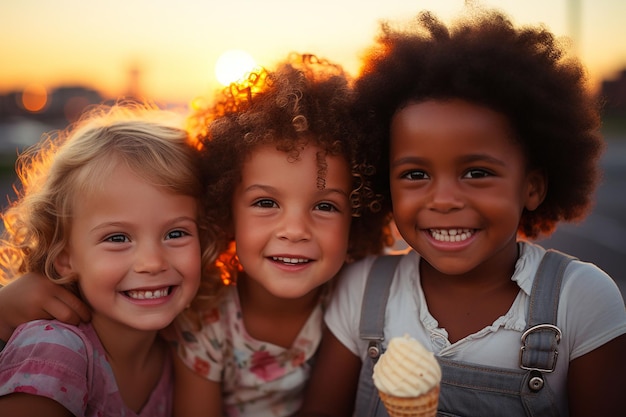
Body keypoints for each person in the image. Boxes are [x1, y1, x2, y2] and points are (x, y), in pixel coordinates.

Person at [299, 9, 626, 417]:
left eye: (477, 172)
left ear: (533, 187)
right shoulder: (362, 291)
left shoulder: (580, 300)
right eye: (416, 173)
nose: (445, 199)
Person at [170, 53, 390, 417]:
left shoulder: (358, 302)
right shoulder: (204, 319)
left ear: (358, 216)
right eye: (266, 202)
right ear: (226, 209)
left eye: (324, 206)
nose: (294, 230)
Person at [0, 103, 224, 416]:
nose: (152, 262)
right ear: (65, 258)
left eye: (175, 234)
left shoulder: (185, 350)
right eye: (117, 238)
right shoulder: (56, 350)